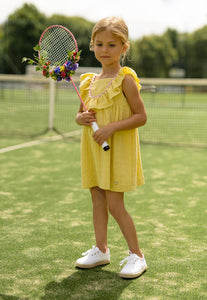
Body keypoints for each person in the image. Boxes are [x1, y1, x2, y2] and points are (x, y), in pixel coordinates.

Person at [75, 16, 147, 279]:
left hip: (117, 149)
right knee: (97, 198)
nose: (104, 50)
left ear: (124, 47)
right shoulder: (87, 82)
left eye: (112, 45)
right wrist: (79, 119)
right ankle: (101, 249)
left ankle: (137, 255)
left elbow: (141, 116)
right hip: (94, 149)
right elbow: (81, 115)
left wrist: (110, 128)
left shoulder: (125, 79)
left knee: (116, 204)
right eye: (99, 44)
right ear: (92, 45)